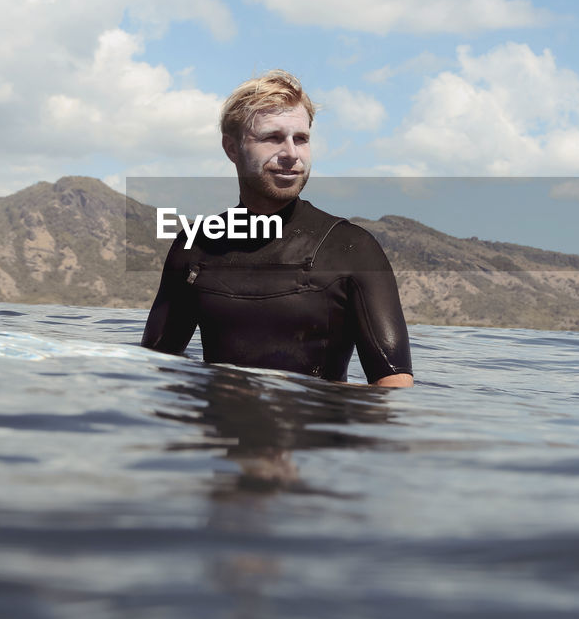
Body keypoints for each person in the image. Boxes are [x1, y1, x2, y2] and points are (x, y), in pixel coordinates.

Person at [141, 70, 414, 387]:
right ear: (232, 149)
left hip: (316, 433)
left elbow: (394, 388)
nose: (292, 154)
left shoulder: (352, 249)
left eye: (301, 139)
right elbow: (154, 369)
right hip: (217, 434)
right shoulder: (195, 245)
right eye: (272, 138)